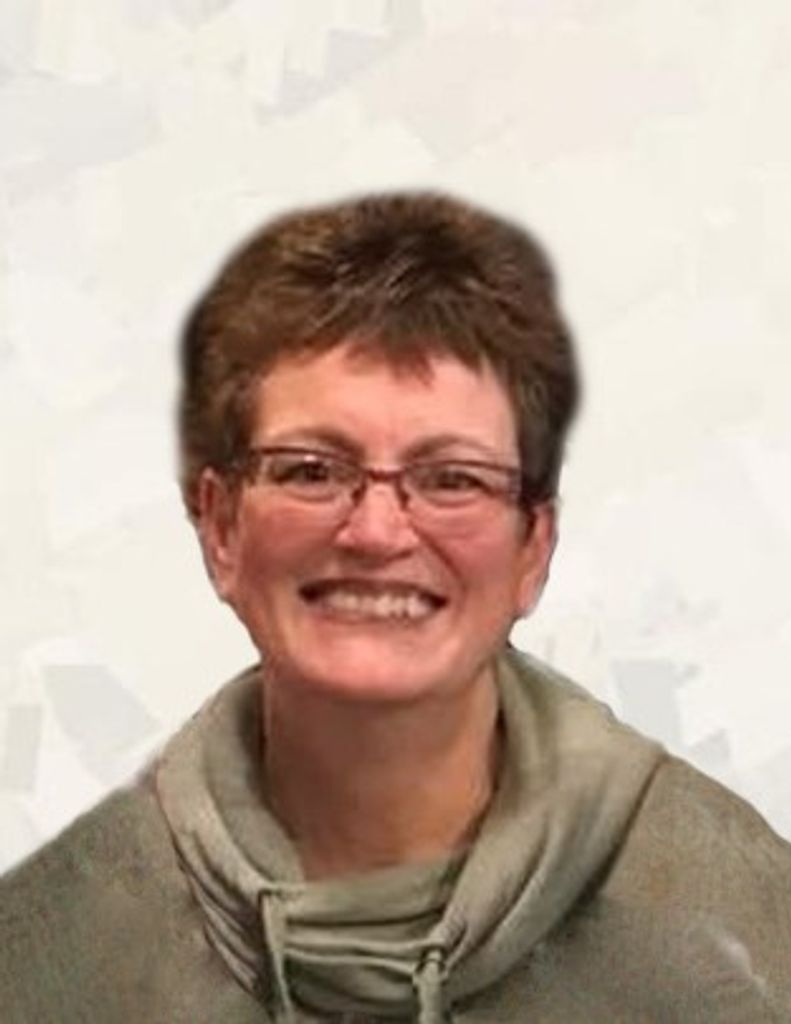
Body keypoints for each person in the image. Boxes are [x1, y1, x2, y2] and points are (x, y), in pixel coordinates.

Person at [1, 192, 790, 1023]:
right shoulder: (53, 958)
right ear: (220, 525)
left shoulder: (738, 932)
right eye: (311, 470)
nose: (376, 532)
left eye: (451, 479)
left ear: (533, 547)